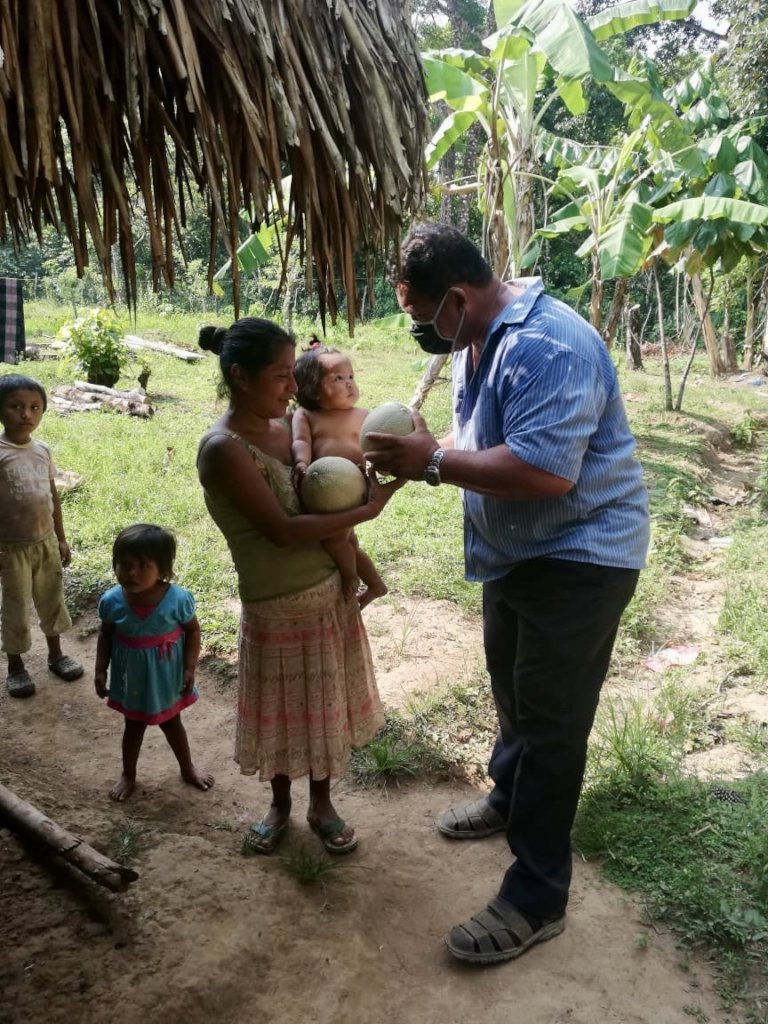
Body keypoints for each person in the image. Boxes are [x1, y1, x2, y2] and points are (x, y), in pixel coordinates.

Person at [366, 222, 650, 964]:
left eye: (423, 318)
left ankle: (537, 894)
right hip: (519, 552)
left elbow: (544, 472)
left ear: (456, 299)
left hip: (582, 554)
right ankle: (506, 797)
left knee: (552, 723)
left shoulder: (545, 345)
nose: (422, 333)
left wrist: (433, 464)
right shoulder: (479, 338)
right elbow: (482, 439)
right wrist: (435, 448)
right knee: (512, 689)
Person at [196, 318, 402, 855]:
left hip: (328, 592)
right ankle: (281, 804)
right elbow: (284, 532)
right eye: (282, 375)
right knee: (284, 713)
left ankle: (322, 803)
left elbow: (329, 486)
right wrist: (369, 511)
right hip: (275, 606)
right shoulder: (224, 448)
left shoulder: (291, 427)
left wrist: (372, 477)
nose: (293, 388)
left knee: (321, 708)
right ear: (241, 377)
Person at [94, 523, 213, 802]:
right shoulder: (112, 601)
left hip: (165, 678)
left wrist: (189, 667)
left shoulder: (177, 600)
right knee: (132, 727)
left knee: (173, 724)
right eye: (124, 565)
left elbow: (193, 630)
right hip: (132, 678)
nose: (132, 572)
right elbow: (106, 634)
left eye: (143, 565)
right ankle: (128, 774)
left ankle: (187, 768)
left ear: (162, 569)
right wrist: (101, 668)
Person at [0, 373, 84, 698]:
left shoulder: (43, 451)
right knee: (16, 605)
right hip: (11, 548)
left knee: (51, 599)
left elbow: (52, 497)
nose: (26, 414)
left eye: (35, 407)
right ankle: (16, 667)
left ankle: (56, 654)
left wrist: (60, 538)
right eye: (16, 406)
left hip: (45, 541)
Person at [292, 344, 387, 608]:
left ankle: (349, 578)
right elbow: (301, 442)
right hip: (325, 490)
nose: (349, 385)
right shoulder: (306, 415)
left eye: (351, 377)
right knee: (349, 542)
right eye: (338, 378)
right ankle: (376, 585)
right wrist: (302, 463)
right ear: (312, 390)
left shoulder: (363, 415)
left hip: (354, 489)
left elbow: (375, 449)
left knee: (335, 540)